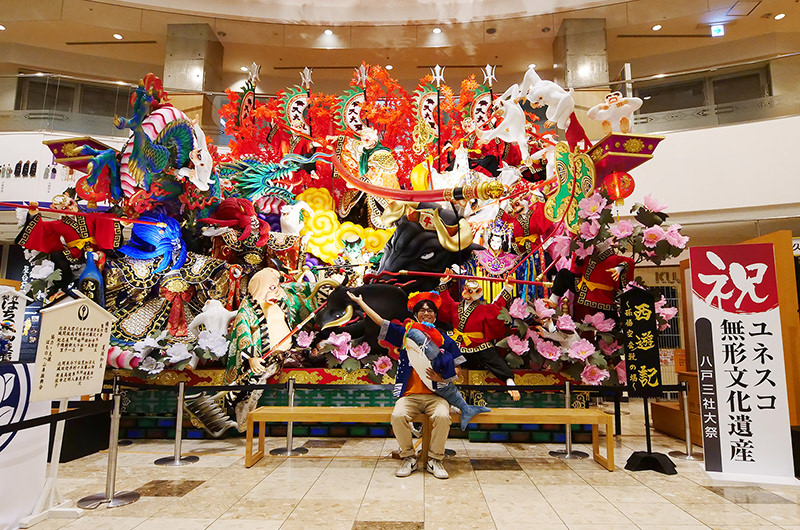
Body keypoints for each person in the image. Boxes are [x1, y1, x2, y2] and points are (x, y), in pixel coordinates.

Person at [347, 290, 468, 479]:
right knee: (398, 415)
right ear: (415, 314)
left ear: (435, 315)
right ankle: (408, 457)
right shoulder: (406, 335)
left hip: (436, 396)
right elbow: (380, 321)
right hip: (410, 395)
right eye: (422, 310)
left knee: (443, 416)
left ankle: (434, 459)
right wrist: (361, 303)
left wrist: (441, 378)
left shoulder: (445, 339)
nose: (426, 313)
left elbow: (459, 370)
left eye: (430, 310)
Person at [438, 274, 521, 401]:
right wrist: (443, 284)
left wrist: (507, 289)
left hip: (476, 342)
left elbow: (496, 308)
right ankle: (438, 382)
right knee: (442, 352)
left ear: (477, 293)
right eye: (465, 289)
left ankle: (509, 381)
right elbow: (445, 303)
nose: (466, 292)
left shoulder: (484, 309)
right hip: (457, 342)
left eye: (470, 291)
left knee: (493, 358)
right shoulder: (455, 306)